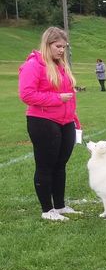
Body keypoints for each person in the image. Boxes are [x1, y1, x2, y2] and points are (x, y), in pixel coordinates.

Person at [18, 26, 82, 221]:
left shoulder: (60, 65)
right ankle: (48, 210)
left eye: (64, 47)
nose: (61, 50)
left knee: (60, 164)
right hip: (43, 121)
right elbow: (26, 94)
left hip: (65, 121)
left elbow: (69, 97)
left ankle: (60, 206)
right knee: (46, 165)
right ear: (47, 44)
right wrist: (57, 99)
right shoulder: (33, 65)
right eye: (58, 46)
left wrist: (74, 119)